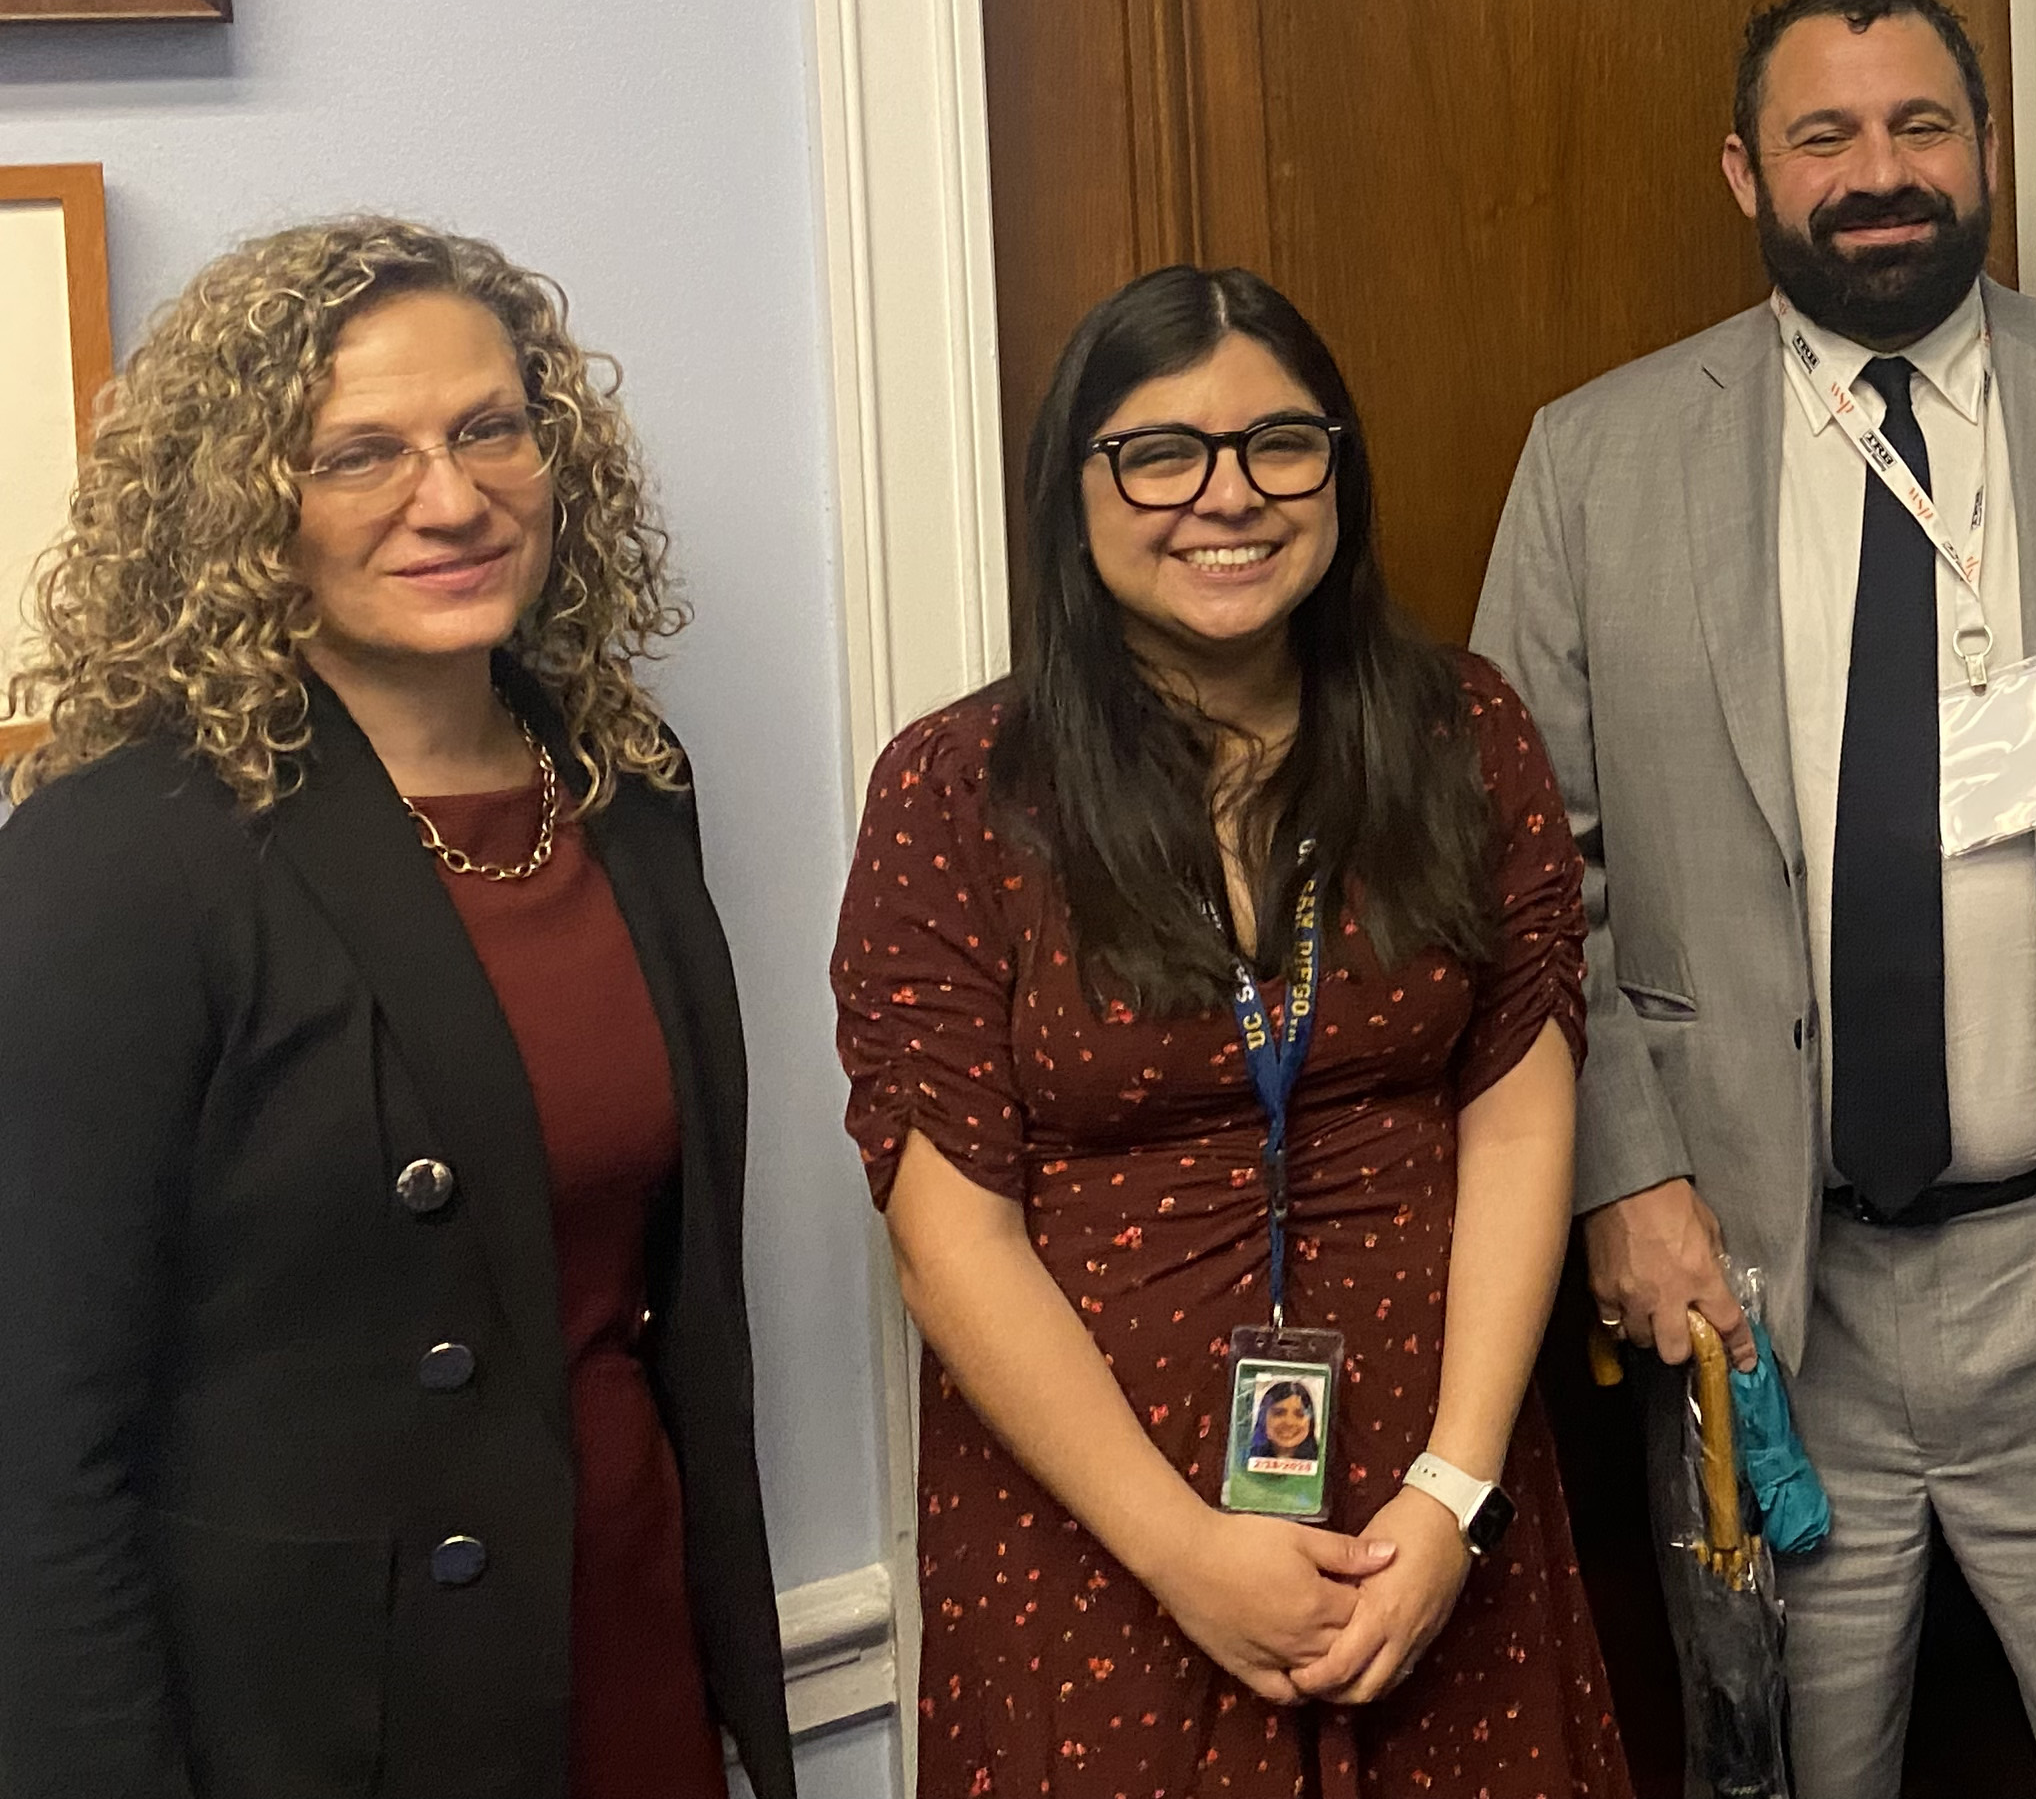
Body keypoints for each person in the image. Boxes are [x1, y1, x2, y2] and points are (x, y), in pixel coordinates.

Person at [1474, 0, 2036, 1799]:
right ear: (1741, 171)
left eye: (1920, 123)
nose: (1878, 169)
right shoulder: (1595, 460)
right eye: (1822, 133)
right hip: (1755, 1300)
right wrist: (1626, 1171)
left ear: (1982, 149)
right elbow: (1532, 881)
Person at [0, 217, 793, 1799]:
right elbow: (34, 1443)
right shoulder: (124, 855)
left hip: (628, 1630)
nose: (452, 499)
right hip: (323, 1712)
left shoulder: (626, 794)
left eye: (489, 428)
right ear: (239, 506)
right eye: (360, 452)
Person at [834, 265, 1628, 1798]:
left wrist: (1455, 1494)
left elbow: (1521, 1113)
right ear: (1076, 489)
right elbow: (950, 1236)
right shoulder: (959, 789)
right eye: (1159, 452)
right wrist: (1183, 1552)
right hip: (1102, 1542)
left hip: (1427, 1517)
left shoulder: (1463, 734)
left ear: (1337, 470)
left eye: (1280, 443)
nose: (1227, 497)